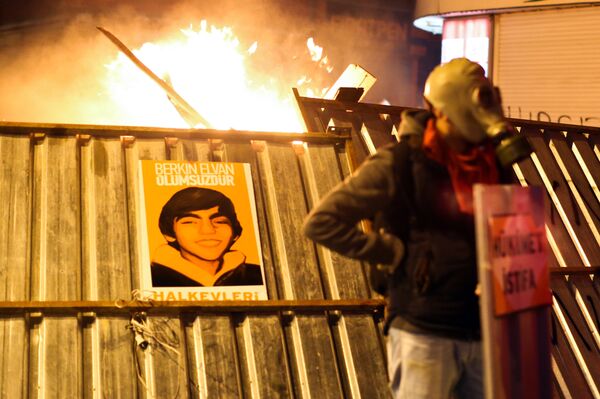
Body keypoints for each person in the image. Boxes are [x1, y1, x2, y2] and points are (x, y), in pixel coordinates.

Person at [303, 58, 523, 398]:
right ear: (446, 111)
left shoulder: (492, 165)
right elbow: (322, 222)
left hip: (484, 333)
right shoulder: (400, 162)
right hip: (424, 333)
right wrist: (392, 252)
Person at [151, 187, 263, 287]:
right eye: (190, 222)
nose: (208, 230)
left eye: (219, 221)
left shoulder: (257, 276)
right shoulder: (153, 278)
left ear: (235, 233)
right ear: (169, 234)